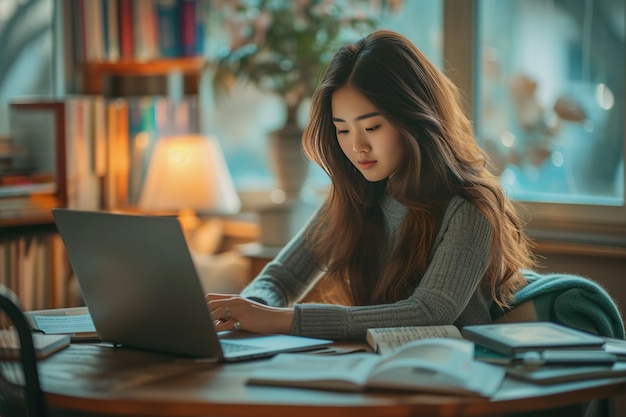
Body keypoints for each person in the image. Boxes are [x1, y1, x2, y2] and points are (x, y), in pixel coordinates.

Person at [206, 29, 536, 341]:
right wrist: (242, 312)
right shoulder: (356, 194)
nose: (357, 146)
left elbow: (430, 312)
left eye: (372, 127)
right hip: (376, 369)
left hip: (456, 377)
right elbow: (282, 278)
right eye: (343, 130)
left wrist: (281, 319)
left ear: (414, 117)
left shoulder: (469, 206)